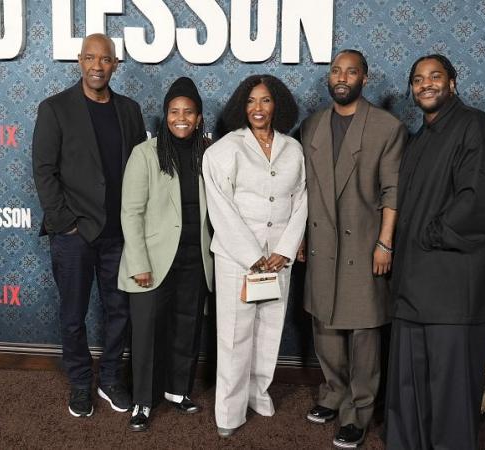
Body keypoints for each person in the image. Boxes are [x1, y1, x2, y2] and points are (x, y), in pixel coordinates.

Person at [384, 54, 485, 449]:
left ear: (453, 83)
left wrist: (429, 234)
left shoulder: (475, 126)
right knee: (409, 387)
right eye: (418, 79)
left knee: (451, 395)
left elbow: (480, 200)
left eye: (435, 76)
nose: (426, 84)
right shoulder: (420, 137)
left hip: (455, 291)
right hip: (413, 288)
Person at [31, 33, 146, 417]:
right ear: (79, 61)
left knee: (120, 312)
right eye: (90, 58)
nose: (98, 66)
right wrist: (65, 225)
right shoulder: (55, 108)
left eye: (106, 59)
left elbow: (138, 169)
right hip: (74, 236)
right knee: (72, 315)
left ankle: (111, 379)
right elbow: (44, 172)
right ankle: (80, 383)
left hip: (119, 235)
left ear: (116, 64)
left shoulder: (130, 110)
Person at [300, 49, 407, 449]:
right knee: (325, 325)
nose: (342, 77)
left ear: (365, 78)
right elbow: (303, 190)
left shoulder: (386, 127)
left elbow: (392, 191)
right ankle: (334, 394)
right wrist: (301, 238)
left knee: (363, 330)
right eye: (335, 71)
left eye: (351, 71)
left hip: (364, 245)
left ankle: (359, 411)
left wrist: (385, 242)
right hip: (322, 241)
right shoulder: (311, 125)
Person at [202, 74, 307, 438]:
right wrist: (252, 256)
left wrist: (284, 249)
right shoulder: (224, 149)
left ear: (277, 103)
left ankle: (257, 392)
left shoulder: (293, 149)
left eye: (265, 100)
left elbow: (301, 200)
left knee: (270, 329)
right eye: (250, 101)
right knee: (234, 336)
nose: (258, 109)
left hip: (278, 259)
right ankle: (228, 411)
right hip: (238, 260)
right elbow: (221, 208)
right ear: (240, 107)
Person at [118, 77, 214, 432]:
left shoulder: (209, 152)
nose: (181, 118)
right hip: (154, 260)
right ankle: (142, 400)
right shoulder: (146, 153)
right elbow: (131, 212)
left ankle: (178, 390)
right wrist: (139, 263)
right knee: (146, 331)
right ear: (165, 115)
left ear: (199, 117)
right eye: (174, 111)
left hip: (195, 257)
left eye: (189, 111)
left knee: (188, 326)